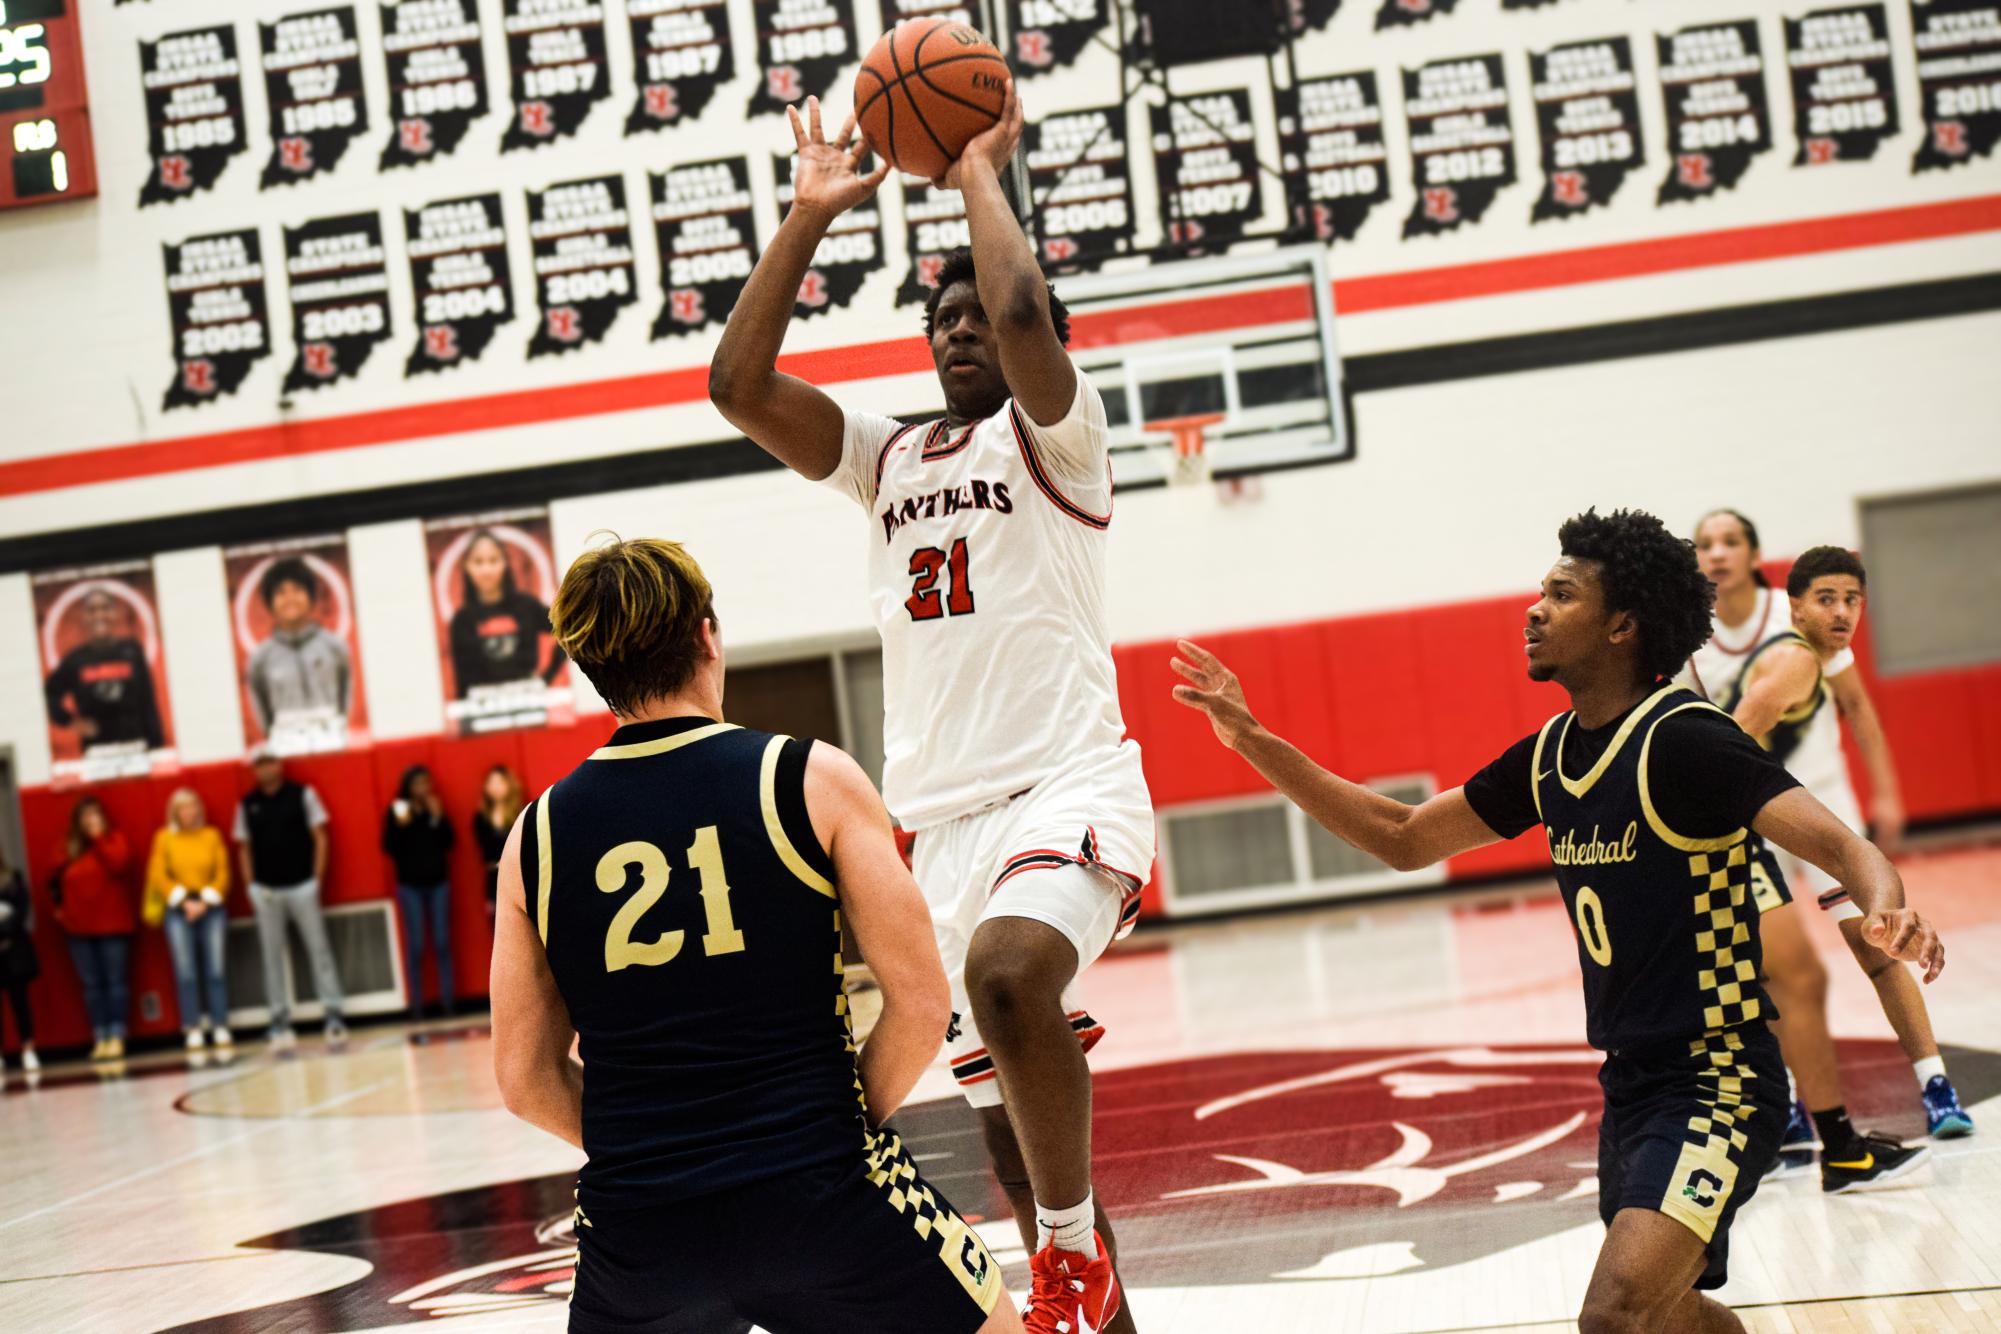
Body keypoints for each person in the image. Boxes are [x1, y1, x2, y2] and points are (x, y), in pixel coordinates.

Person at [1170, 508, 1945, 1333]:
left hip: (1717, 1078)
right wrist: (1252, 738)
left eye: (1561, 594)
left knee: (1611, 1316)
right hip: (1629, 1083)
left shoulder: (1686, 741)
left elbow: (1849, 851)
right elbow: (1400, 839)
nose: (1533, 609)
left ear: (1621, 625)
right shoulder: (1547, 756)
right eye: (1541, 590)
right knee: (1667, 1314)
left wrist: (1886, 913)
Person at [711, 91, 1150, 1334]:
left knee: (1011, 977)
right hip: (942, 833)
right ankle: (1081, 1273)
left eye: (979, 315)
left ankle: (1065, 1252)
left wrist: (974, 170)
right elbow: (738, 382)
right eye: (940, 318)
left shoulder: (1061, 441)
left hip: (1066, 784)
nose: (965, 326)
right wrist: (804, 217)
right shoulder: (886, 455)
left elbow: (1020, 306)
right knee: (1022, 1164)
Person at [489, 537, 1019, 1334]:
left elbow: (524, 1079)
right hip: (823, 1201)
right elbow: (920, 1001)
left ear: (591, 670)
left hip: (640, 1234)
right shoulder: (811, 779)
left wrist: (657, 1147)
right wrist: (826, 1128)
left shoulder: (535, 839)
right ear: (707, 634)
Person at [1690, 512, 1971, 1149]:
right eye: (1705, 544)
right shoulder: (1694, 636)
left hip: (1821, 805)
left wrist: (1890, 792)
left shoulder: (1808, 615)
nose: (1717, 553)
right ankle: (1788, 1101)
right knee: (1769, 969)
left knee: (1876, 947)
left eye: (1730, 541)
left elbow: (1858, 708)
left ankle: (1934, 1084)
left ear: (1754, 554)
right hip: (1751, 818)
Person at [235, 747, 347, 1048]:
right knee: (271, 955)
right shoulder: (247, 805)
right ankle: (278, 1017)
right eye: (260, 764)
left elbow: (320, 835)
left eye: (270, 761)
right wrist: (251, 888)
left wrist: (316, 879)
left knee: (319, 948)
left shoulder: (302, 794)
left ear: (279, 764)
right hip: (267, 890)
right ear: (254, 769)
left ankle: (333, 1012)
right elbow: (243, 847)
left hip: (302, 886)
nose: (266, 768)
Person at [145, 787, 235, 1052]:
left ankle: (220, 1024)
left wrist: (206, 900)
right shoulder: (164, 838)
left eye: (193, 806)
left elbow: (223, 873)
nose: (189, 812)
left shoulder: (211, 835)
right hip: (178, 908)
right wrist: (184, 901)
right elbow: (158, 874)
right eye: (183, 807)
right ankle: (192, 1026)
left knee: (215, 969)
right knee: (185, 971)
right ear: (175, 811)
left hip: (211, 906)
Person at [51, 796, 137, 1061]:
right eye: (85, 816)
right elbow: (52, 882)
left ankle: (117, 1034)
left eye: (95, 815)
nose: (90, 820)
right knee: (92, 985)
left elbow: (120, 864)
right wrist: (61, 912)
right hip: (78, 930)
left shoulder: (114, 841)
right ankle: (100, 1036)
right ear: (77, 820)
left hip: (113, 926)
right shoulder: (68, 848)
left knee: (115, 982)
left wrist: (99, 837)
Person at [43, 586, 166, 752]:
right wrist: (70, 721)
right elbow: (48, 694)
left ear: (115, 613)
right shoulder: (75, 660)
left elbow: (148, 703)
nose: (99, 615)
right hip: (97, 751)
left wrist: (157, 747)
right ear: (84, 617)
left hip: (138, 746)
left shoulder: (132, 651)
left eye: (105, 609)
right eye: (92, 610)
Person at [245, 557, 353, 742]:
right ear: (270, 602)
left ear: (310, 597)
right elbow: (262, 709)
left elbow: (345, 696)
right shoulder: (260, 658)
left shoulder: (334, 646)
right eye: (281, 592)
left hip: (332, 737)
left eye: (297, 590)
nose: (290, 599)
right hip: (284, 742)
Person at [449, 529, 566, 698]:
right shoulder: (461, 621)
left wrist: (547, 678)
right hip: (482, 705)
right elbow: (462, 682)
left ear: (505, 563)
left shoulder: (526, 605)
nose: (486, 570)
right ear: (467, 567)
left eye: (493, 560)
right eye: (478, 562)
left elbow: (567, 631)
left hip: (529, 696)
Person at [383, 765, 457, 1021]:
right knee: (415, 945)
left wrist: (438, 817)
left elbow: (449, 841)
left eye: (426, 783)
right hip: (410, 886)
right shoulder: (398, 808)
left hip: (438, 883)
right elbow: (389, 846)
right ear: (408, 786)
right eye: (418, 784)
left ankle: (448, 1003)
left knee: (442, 942)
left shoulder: (434, 806)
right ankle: (417, 1006)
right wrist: (401, 826)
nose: (423, 789)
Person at [0, 843, 42, 1077]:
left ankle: (28, 1048)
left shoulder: (12, 878)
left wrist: (6, 930)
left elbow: (22, 908)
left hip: (14, 948)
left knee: (20, 1001)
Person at [472, 764, 523, 916]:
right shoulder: (481, 817)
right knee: (497, 922)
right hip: (494, 878)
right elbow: (485, 849)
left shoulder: (519, 812)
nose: (495, 787)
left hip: (517, 878)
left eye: (499, 782)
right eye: (491, 783)